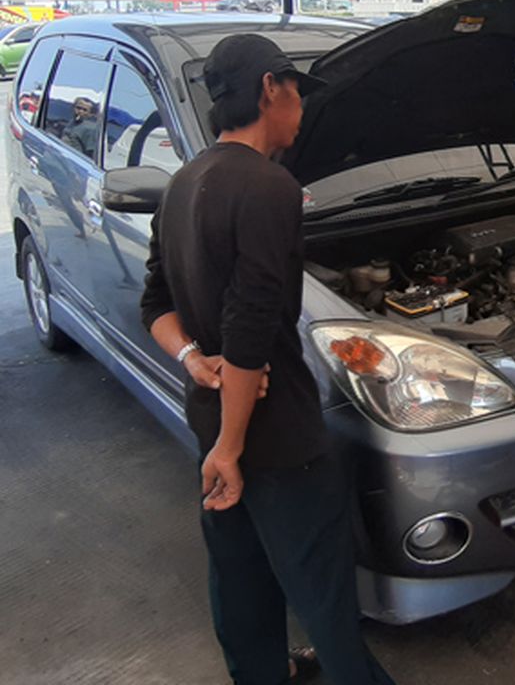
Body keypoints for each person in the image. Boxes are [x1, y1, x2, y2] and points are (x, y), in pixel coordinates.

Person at [140, 34, 395, 685]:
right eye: (295, 93)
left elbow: (156, 304)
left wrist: (195, 359)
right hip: (276, 438)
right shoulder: (269, 187)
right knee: (324, 598)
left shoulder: (183, 182)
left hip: (210, 420)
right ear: (267, 90)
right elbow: (250, 324)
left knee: (242, 579)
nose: (301, 110)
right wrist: (231, 446)